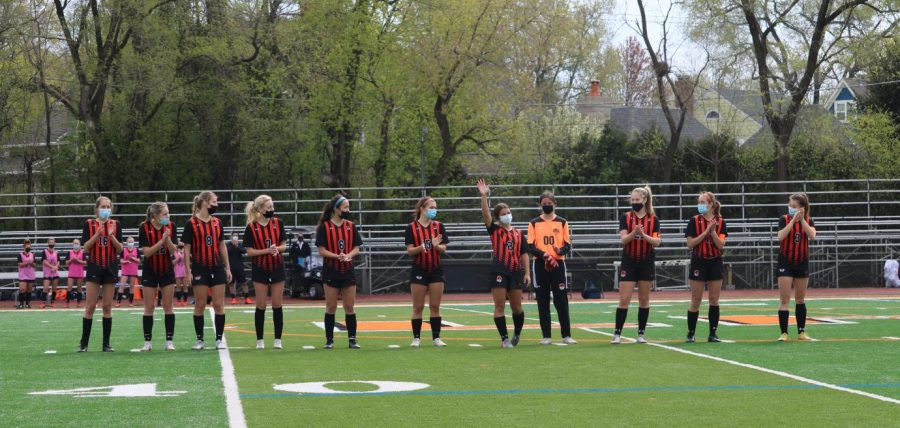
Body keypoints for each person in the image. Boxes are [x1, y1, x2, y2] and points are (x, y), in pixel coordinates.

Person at [477, 179, 530, 348]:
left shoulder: (519, 233)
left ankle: (517, 334)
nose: (507, 215)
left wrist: (527, 272)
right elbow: (486, 215)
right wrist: (484, 196)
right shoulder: (495, 230)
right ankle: (504, 338)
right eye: (503, 213)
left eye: (508, 211)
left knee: (517, 308)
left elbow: (524, 254)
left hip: (515, 272)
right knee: (499, 305)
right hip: (499, 271)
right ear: (498, 217)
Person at [182, 191, 232, 350]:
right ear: (204, 202)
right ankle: (200, 340)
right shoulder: (191, 223)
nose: (216, 205)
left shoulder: (217, 222)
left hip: (217, 268)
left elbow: (222, 246)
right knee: (200, 305)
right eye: (214, 202)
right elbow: (186, 249)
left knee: (218, 304)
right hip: (199, 268)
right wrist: (188, 271)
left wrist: (227, 267)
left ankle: (219, 339)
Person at [611, 186, 661, 345]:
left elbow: (657, 242)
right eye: (632, 200)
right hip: (629, 260)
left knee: (644, 299)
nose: (634, 203)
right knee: (624, 299)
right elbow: (623, 240)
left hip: (646, 261)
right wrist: (634, 233)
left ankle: (641, 333)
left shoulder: (653, 219)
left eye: (637, 200)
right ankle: (617, 333)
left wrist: (643, 234)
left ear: (645, 200)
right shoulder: (625, 217)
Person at [316, 194, 364, 349]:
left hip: (347, 271)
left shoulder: (350, 226)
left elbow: (356, 248)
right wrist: (337, 256)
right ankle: (329, 340)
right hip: (331, 270)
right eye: (345, 207)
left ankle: (352, 339)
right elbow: (321, 250)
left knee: (349, 306)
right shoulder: (325, 227)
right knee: (331, 306)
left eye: (348, 207)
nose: (347, 210)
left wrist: (348, 256)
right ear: (336, 209)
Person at [527, 191, 575, 345]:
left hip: (558, 264)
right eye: (544, 203)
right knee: (542, 299)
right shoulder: (534, 223)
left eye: (550, 203)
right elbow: (530, 246)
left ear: (555, 204)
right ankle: (546, 335)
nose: (547, 205)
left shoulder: (562, 222)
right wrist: (545, 255)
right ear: (540, 204)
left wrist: (558, 252)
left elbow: (567, 244)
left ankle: (566, 334)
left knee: (561, 300)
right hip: (540, 264)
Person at [79, 196, 123, 352]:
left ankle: (106, 344)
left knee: (107, 306)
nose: (106, 209)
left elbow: (120, 249)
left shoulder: (116, 225)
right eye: (103, 206)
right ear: (97, 208)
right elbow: (85, 247)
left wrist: (111, 236)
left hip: (110, 267)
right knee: (90, 306)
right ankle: (83, 344)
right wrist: (97, 234)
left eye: (108, 206)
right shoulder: (89, 224)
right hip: (94, 267)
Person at [243, 195, 288, 350]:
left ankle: (277, 339)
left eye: (272, 207)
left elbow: (284, 246)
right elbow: (249, 252)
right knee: (261, 304)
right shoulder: (251, 227)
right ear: (260, 209)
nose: (272, 210)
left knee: (277, 303)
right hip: (260, 268)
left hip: (277, 267)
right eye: (269, 207)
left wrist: (277, 249)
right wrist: (266, 251)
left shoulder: (278, 223)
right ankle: (260, 340)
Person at [405, 196, 449, 347]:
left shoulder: (439, 226)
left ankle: (436, 337)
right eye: (431, 207)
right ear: (422, 209)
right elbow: (410, 250)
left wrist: (436, 246)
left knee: (435, 306)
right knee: (418, 307)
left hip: (436, 270)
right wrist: (422, 247)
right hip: (419, 269)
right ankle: (416, 338)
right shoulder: (411, 227)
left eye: (435, 207)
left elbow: (444, 248)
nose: (434, 210)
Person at [684, 191, 728, 343]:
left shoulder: (720, 222)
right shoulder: (694, 221)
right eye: (699, 202)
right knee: (696, 300)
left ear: (711, 204)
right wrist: (706, 232)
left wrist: (713, 232)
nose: (700, 205)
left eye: (703, 202)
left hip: (715, 261)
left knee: (714, 299)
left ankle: (713, 333)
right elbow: (690, 244)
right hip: (699, 260)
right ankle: (691, 333)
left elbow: (721, 245)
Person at [776, 193, 817, 342]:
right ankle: (784, 333)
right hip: (785, 262)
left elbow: (812, 236)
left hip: (801, 262)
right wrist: (793, 220)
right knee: (784, 299)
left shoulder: (809, 220)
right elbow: (780, 236)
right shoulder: (784, 219)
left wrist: (802, 220)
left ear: (802, 208)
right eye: (790, 206)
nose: (791, 208)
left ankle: (801, 331)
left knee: (800, 299)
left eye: (794, 207)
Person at [138, 202, 178, 351]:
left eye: (168, 213)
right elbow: (147, 252)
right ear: (155, 216)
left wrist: (167, 239)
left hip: (167, 269)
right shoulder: (144, 227)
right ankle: (147, 342)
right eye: (165, 214)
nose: (168, 216)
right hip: (150, 270)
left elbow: (174, 251)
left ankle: (169, 341)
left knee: (168, 306)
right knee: (149, 307)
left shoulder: (171, 226)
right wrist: (161, 241)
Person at [227, 232, 251, 305]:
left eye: (236, 236)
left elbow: (244, 251)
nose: (235, 237)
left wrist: (237, 246)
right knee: (231, 283)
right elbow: (227, 252)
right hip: (231, 268)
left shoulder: (240, 244)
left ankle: (247, 298)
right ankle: (233, 298)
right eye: (234, 236)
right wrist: (233, 245)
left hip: (240, 267)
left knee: (244, 283)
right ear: (231, 237)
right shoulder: (228, 245)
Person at [116, 237, 140, 307]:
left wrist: (133, 258)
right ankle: (118, 302)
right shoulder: (123, 250)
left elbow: (139, 260)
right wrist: (126, 261)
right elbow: (120, 260)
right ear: (127, 242)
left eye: (132, 241)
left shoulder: (136, 250)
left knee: (132, 286)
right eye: (129, 241)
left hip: (133, 270)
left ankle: (131, 302)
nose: (131, 243)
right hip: (125, 270)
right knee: (122, 286)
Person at [65, 239, 87, 308]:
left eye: (77, 243)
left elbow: (85, 263)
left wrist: (78, 260)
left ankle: (78, 302)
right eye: (74, 243)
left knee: (79, 288)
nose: (76, 244)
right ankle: (67, 302)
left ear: (79, 244)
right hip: (71, 273)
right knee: (69, 287)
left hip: (79, 272)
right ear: (72, 244)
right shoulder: (70, 252)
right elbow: (66, 263)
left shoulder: (82, 252)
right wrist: (72, 259)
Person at [40, 238, 61, 309]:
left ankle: (53, 302)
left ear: (54, 243)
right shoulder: (44, 251)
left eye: (53, 242)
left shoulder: (56, 252)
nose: (51, 243)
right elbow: (44, 261)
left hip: (55, 272)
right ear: (48, 243)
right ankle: (43, 302)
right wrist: (52, 266)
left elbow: (58, 261)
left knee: (54, 288)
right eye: (50, 242)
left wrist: (56, 267)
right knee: (45, 288)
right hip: (47, 272)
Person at [17, 239, 36, 309]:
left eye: (29, 245)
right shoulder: (20, 254)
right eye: (26, 245)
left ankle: (28, 304)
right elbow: (19, 264)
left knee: (29, 290)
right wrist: (27, 262)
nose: (28, 246)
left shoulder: (32, 254)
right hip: (23, 275)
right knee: (22, 289)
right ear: (24, 246)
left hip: (30, 274)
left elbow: (34, 264)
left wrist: (32, 263)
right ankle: (21, 304)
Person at [174, 241, 188, 306]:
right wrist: (178, 258)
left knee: (185, 287)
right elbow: (173, 262)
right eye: (179, 244)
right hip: (177, 271)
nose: (181, 245)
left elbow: (188, 261)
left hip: (184, 271)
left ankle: (185, 300)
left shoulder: (186, 252)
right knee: (178, 287)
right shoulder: (175, 252)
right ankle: (178, 300)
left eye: (182, 244)